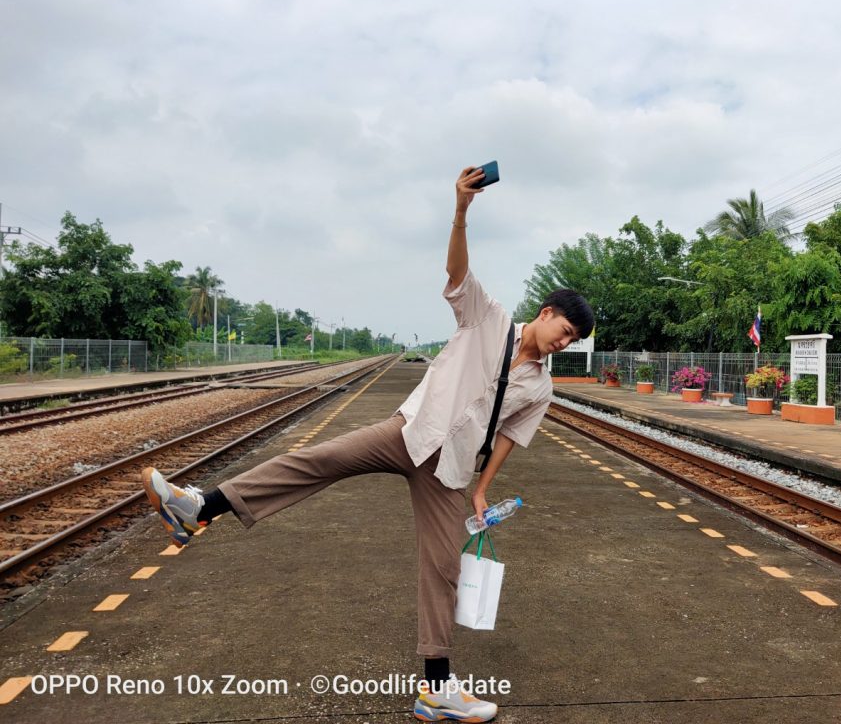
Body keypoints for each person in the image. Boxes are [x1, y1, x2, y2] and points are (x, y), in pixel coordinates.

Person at [141, 166, 594, 722]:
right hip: (409, 433)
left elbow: (508, 438)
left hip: (449, 471)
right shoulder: (489, 317)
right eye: (565, 331)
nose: (564, 343)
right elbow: (457, 273)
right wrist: (461, 211)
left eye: (572, 341)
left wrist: (482, 490)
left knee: (441, 568)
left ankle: (436, 690)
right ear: (546, 313)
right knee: (315, 459)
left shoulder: (542, 385)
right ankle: (198, 508)